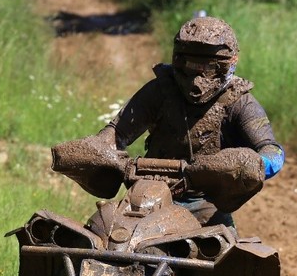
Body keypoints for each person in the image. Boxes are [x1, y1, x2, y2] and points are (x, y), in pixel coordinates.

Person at [63, 16, 285, 228]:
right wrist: (100, 150)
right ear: (177, 61)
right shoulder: (160, 91)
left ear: (227, 65)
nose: (197, 80)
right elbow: (115, 133)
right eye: (188, 66)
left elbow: (273, 151)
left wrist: (252, 164)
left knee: (228, 259)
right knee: (103, 235)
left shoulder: (240, 102)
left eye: (208, 69)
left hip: (204, 202)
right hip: (144, 194)